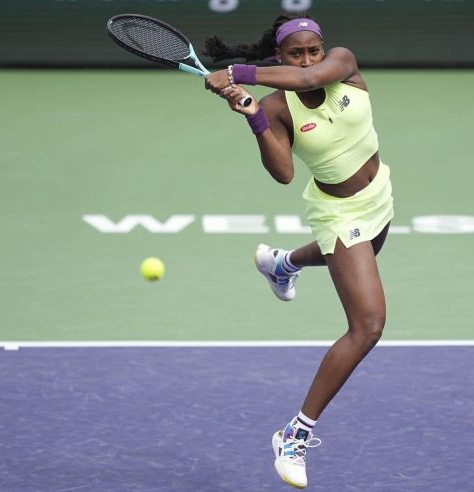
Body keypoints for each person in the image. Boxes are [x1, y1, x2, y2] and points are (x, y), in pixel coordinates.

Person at [203, 13, 394, 489]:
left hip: (380, 194)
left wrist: (236, 73)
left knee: (358, 256)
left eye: (314, 49)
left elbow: (312, 78)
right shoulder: (279, 104)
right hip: (338, 214)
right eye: (296, 53)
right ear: (280, 57)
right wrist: (254, 116)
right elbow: (284, 172)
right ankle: (295, 433)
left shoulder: (342, 64)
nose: (309, 59)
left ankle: (282, 263)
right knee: (368, 325)